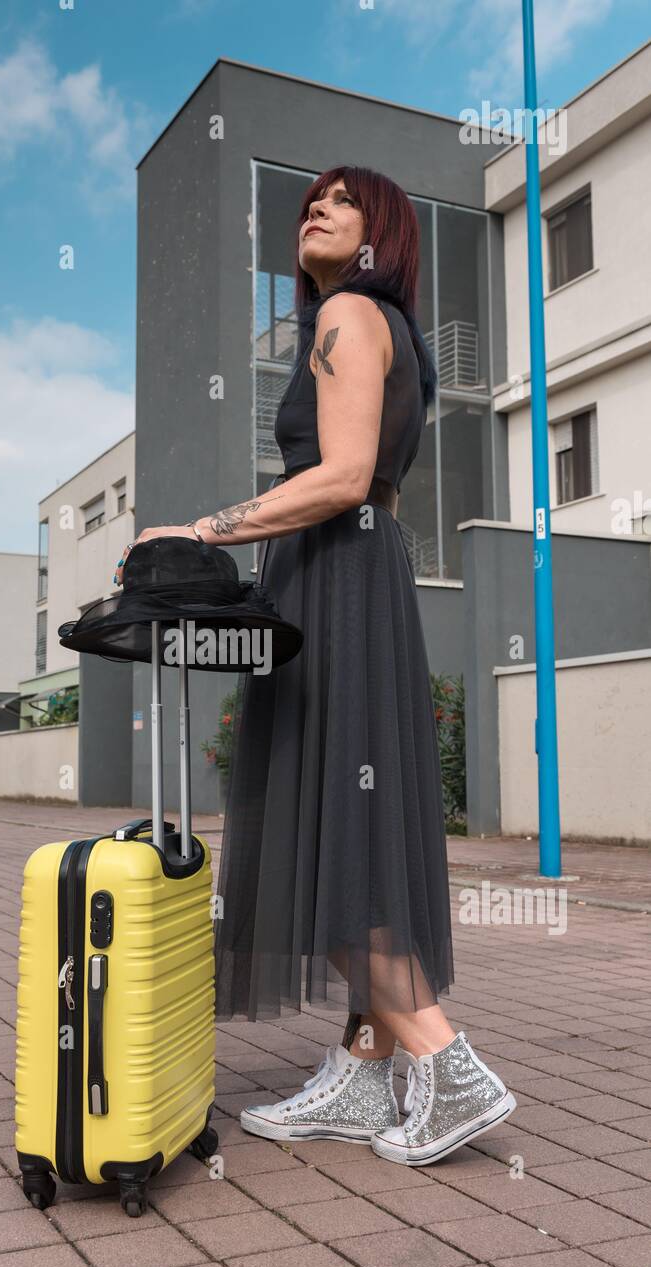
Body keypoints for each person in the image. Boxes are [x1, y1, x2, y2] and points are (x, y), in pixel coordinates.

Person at [115, 166, 514, 1166]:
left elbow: (338, 477)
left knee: (319, 829)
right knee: (354, 832)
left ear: (382, 230)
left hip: (335, 580)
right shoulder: (389, 332)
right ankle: (365, 1071)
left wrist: (203, 529)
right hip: (353, 578)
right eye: (310, 200)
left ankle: (448, 1062)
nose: (315, 208)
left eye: (341, 199)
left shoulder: (348, 311)